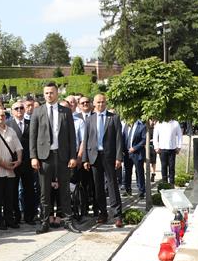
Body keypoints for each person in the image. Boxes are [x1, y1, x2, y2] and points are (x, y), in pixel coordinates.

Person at [29, 82, 77, 234]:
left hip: (62, 156)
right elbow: (33, 136)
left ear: (57, 93)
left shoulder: (66, 111)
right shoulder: (38, 111)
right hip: (44, 157)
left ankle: (68, 221)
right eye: (46, 93)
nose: (49, 95)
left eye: (51, 92)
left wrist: (72, 156)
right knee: (45, 192)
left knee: (64, 190)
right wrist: (33, 156)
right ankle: (44, 222)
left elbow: (72, 136)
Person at [81, 94, 124, 227]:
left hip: (109, 156)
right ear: (94, 103)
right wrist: (85, 159)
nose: (100, 104)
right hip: (94, 156)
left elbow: (118, 139)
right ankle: (102, 213)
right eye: (98, 102)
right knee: (98, 186)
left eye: (103, 102)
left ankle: (117, 215)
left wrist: (118, 157)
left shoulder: (114, 118)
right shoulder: (90, 119)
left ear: (106, 103)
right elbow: (86, 139)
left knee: (112, 185)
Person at [0, 107, 22, 230]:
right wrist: (3, 165)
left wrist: (19, 160)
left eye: (2, 116)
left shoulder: (11, 131)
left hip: (11, 171)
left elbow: (18, 148)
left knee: (9, 197)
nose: (0, 118)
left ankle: (9, 220)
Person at [8, 100, 36, 225]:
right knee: (13, 191)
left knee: (29, 190)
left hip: (29, 163)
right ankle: (16, 216)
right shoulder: (8, 124)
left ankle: (29, 216)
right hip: (13, 163)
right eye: (16, 108)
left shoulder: (31, 123)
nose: (19, 110)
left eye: (21, 108)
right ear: (12, 111)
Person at [152, 119, 182, 184]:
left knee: (172, 167)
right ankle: (164, 183)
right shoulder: (159, 123)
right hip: (162, 148)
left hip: (172, 148)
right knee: (163, 166)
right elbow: (155, 136)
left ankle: (172, 183)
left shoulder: (175, 123)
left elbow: (180, 135)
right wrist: (156, 147)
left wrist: (179, 146)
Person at [123, 119, 147, 196]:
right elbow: (123, 138)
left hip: (137, 153)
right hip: (127, 153)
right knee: (127, 172)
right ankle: (128, 189)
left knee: (139, 172)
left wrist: (135, 148)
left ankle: (141, 190)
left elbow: (144, 140)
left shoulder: (141, 126)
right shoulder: (126, 126)